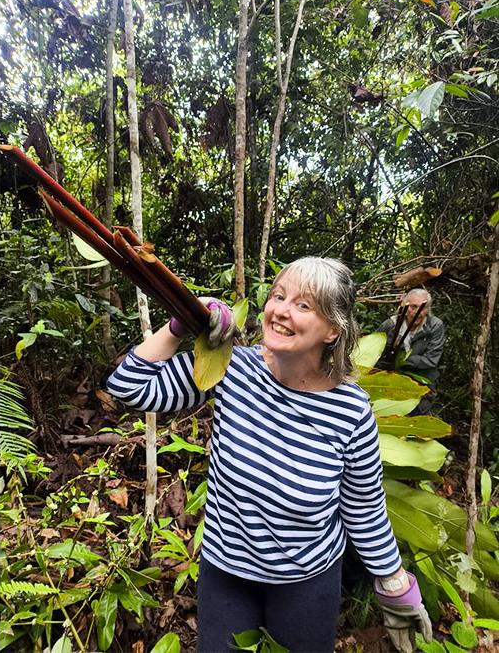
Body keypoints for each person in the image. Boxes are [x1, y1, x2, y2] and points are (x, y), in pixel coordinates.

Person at [106, 257, 431, 652]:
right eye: (279, 296)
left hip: (308, 579)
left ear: (332, 330)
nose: (280, 310)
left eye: (303, 305)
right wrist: (178, 324)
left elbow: (362, 504)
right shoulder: (232, 369)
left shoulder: (351, 409)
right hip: (227, 570)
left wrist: (393, 580)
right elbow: (129, 387)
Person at [376, 287, 445, 414]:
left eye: (422, 307)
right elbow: (375, 353)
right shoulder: (391, 325)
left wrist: (402, 360)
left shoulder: (435, 326)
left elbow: (431, 360)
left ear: (427, 310)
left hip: (420, 385)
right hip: (390, 383)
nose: (417, 312)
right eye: (413, 307)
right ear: (405, 307)